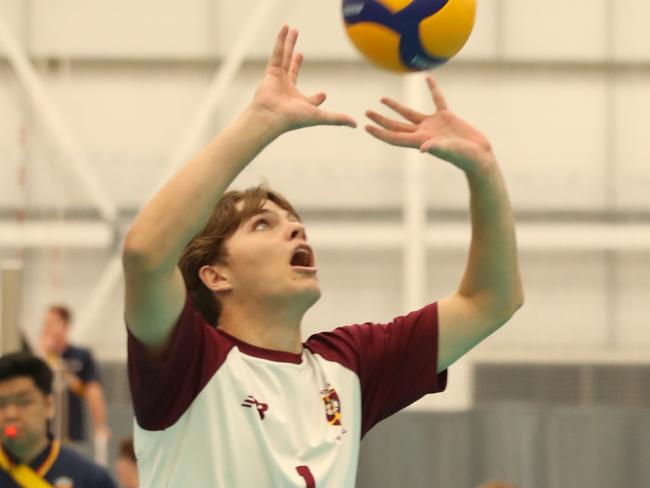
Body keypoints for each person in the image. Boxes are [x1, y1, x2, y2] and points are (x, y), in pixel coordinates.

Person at [122, 25, 523, 486]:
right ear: (215, 275)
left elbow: (491, 301)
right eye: (262, 225)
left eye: (294, 222)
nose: (293, 227)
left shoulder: (349, 366)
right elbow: (145, 252)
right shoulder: (186, 361)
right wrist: (261, 120)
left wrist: (485, 170)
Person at [0, 352, 116, 487]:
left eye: (23, 402)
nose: (11, 414)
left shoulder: (90, 479)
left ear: (48, 405)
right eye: (1, 404)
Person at [39, 305, 110, 447]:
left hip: (71, 431)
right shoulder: (38, 356)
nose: (47, 327)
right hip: (43, 432)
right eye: (46, 323)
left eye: (52, 322)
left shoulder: (81, 356)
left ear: (65, 325)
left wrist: (100, 425)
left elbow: (91, 391)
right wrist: (43, 353)